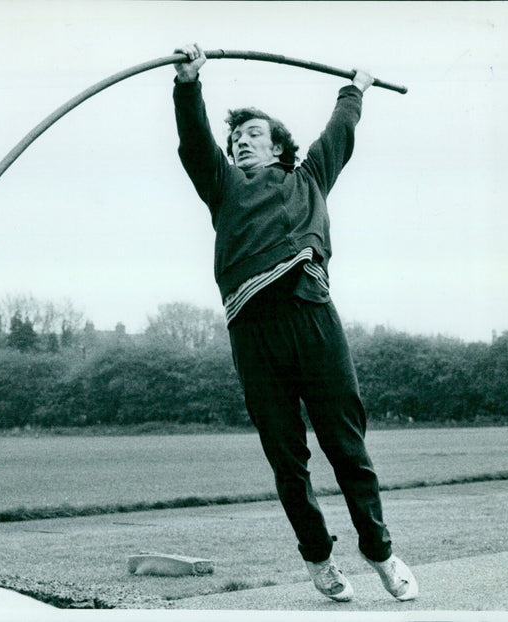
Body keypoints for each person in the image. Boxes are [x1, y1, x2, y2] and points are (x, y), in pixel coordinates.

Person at [172, 43, 418, 603]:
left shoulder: (309, 177)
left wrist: (355, 89)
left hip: (312, 318)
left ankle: (379, 551)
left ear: (280, 146)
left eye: (252, 135)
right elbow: (194, 142)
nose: (239, 143)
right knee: (288, 459)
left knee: (348, 448)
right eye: (235, 140)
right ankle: (319, 560)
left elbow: (340, 133)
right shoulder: (224, 186)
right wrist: (189, 84)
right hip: (253, 332)